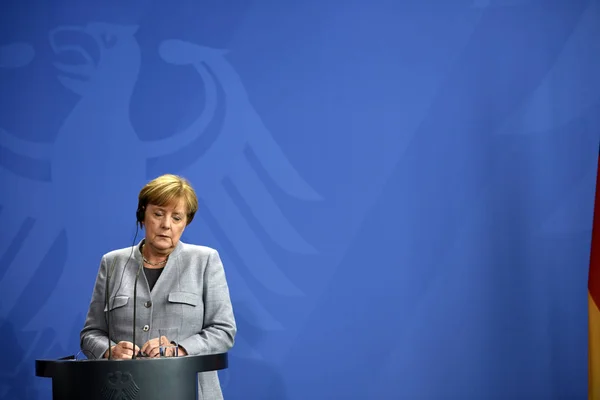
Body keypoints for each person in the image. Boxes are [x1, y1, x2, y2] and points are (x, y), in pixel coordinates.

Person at [80, 174, 236, 399]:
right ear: (142, 215)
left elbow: (223, 331)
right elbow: (91, 333)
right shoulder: (112, 263)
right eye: (158, 214)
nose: (166, 225)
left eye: (176, 218)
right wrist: (109, 350)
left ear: (186, 223)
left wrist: (179, 349)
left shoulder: (205, 261)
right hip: (122, 392)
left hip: (189, 391)